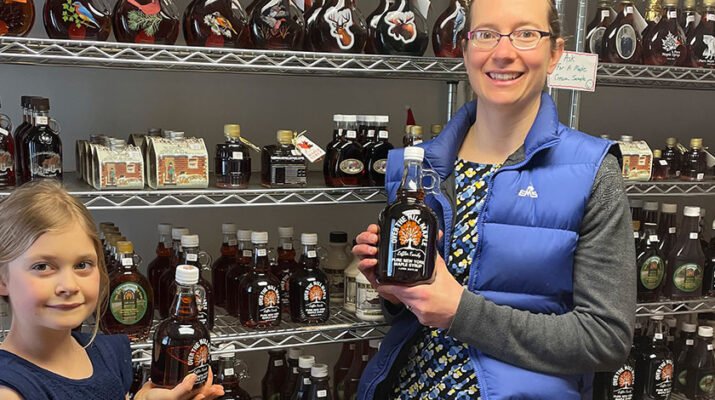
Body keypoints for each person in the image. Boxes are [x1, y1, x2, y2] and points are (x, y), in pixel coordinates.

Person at [353, 0, 636, 399]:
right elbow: (419, 313)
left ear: (554, 52)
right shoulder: (419, 168)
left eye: (525, 34)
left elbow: (605, 340)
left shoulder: (591, 171)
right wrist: (396, 292)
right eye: (485, 34)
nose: (503, 53)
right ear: (466, 48)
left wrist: (460, 312)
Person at [0, 180, 225, 400]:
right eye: (42, 267)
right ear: (3, 279)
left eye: (82, 265)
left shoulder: (103, 353)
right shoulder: (9, 390)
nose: (68, 285)